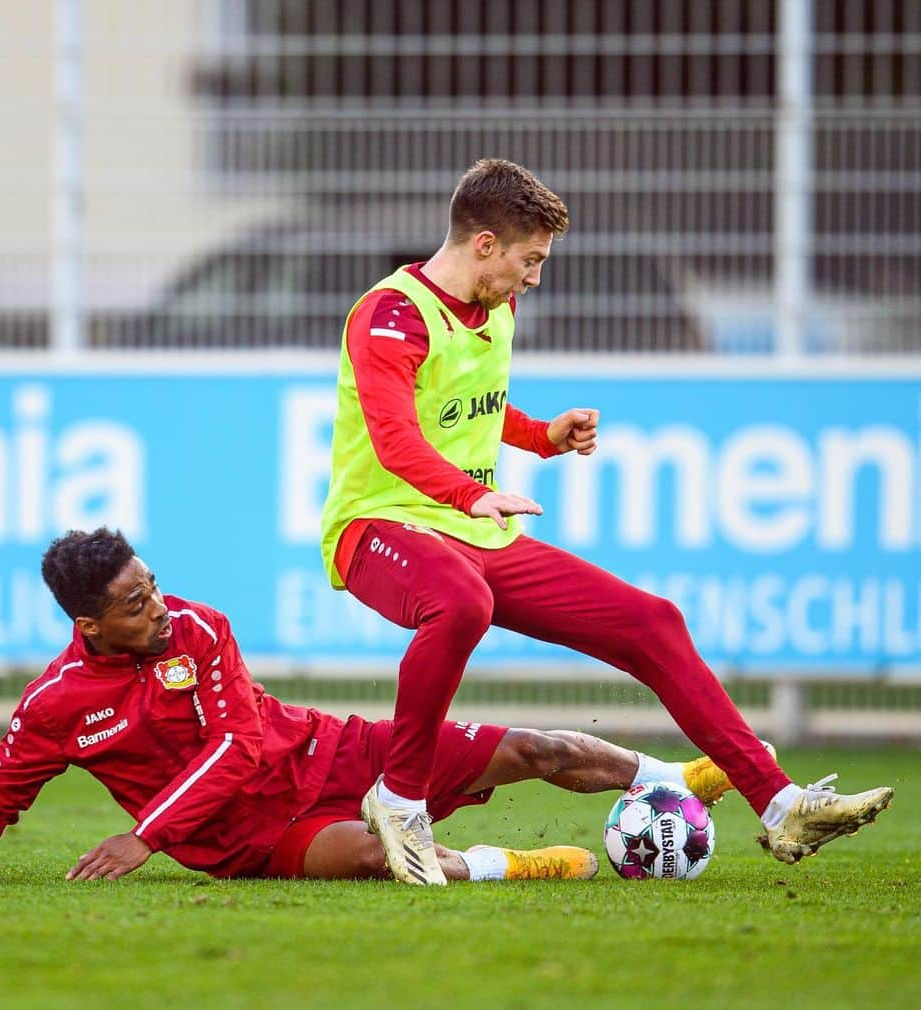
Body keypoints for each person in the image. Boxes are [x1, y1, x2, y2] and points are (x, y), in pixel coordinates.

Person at [318, 158, 893, 885]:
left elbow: (472, 411)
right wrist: (469, 495)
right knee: (462, 604)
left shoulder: (495, 307)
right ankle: (400, 803)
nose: (533, 278)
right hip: (376, 528)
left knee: (652, 621)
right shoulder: (391, 313)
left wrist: (541, 436)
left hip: (473, 531)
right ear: (485, 243)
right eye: (530, 260)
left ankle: (780, 805)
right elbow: (397, 438)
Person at [0, 527, 750, 886]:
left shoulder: (199, 628)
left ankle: (673, 779)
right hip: (247, 836)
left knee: (534, 749)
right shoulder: (56, 704)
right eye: (134, 604)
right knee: (379, 856)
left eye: (151, 586)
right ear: (90, 626)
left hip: (324, 752)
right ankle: (512, 865)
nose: (158, 607)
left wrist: (140, 835)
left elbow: (235, 743)